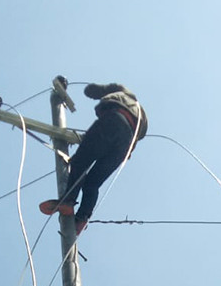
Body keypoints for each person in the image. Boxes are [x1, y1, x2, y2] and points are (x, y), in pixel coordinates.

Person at [40, 83, 148, 234]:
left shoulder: (125, 94)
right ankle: (83, 217)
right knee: (92, 183)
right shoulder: (140, 121)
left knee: (80, 162)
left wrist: (92, 90)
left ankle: (68, 201)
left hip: (113, 120)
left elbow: (99, 89)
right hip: (125, 145)